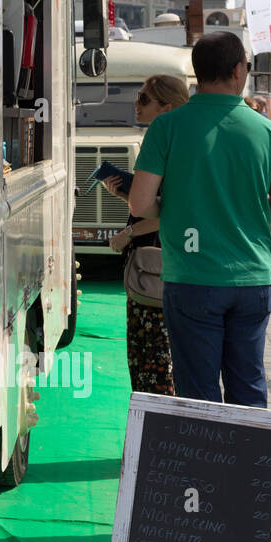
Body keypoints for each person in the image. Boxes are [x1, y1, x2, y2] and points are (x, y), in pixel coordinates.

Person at [128, 32, 271, 408]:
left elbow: (140, 203)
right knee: (249, 386)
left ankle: (205, 466)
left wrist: (176, 209)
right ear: (239, 70)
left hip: (192, 279)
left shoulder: (167, 127)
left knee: (198, 392)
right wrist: (244, 216)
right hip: (252, 278)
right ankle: (252, 465)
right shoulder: (270, 131)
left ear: (198, 72)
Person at [103, 74, 189, 395]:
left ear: (166, 107)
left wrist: (128, 232)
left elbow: (173, 210)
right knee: (145, 360)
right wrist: (126, 196)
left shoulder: (167, 140)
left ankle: (157, 433)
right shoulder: (175, 139)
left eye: (143, 99)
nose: (136, 105)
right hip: (156, 262)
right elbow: (154, 204)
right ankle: (152, 431)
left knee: (153, 361)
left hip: (157, 262)